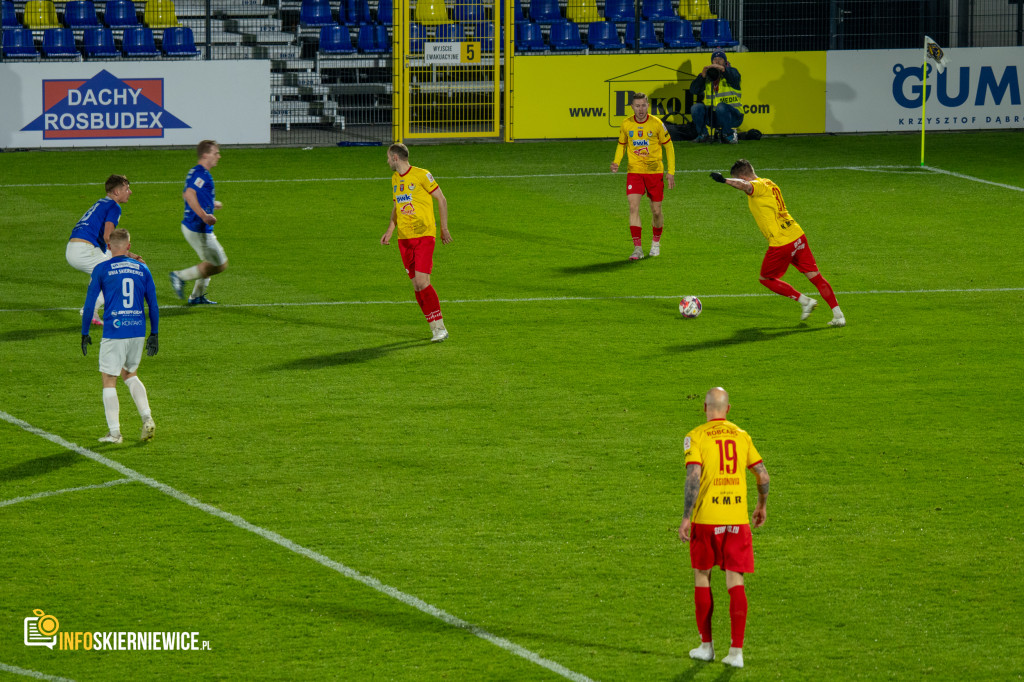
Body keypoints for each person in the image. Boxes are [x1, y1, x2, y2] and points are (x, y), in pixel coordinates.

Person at [679, 387, 770, 669]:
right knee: (736, 581)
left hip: (707, 519)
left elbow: (694, 476)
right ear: (728, 409)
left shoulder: (695, 436)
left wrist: (686, 516)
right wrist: (761, 505)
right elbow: (763, 475)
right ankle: (736, 652)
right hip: (737, 519)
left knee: (702, 576)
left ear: (704, 408)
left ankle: (707, 647)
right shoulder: (742, 436)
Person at [711, 160, 846, 326]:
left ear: (742, 176)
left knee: (766, 278)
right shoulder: (770, 182)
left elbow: (745, 186)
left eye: (736, 179)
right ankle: (838, 315)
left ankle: (805, 301)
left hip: (781, 242)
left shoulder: (757, 186)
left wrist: (724, 180)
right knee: (815, 276)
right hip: (797, 235)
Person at [81, 228, 159, 444]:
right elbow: (153, 304)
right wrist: (155, 333)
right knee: (130, 373)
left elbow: (89, 306)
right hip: (137, 330)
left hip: (114, 331)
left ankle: (114, 433)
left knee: (109, 379)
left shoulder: (101, 268)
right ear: (128, 246)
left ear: (108, 247)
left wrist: (85, 331)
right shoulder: (143, 268)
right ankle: (147, 418)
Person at [380, 143, 452, 342]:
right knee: (417, 287)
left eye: (388, 157)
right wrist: (390, 230)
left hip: (424, 235)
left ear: (395, 158)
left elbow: (442, 199)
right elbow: (397, 206)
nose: (387, 161)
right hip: (404, 239)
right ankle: (433, 328)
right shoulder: (395, 179)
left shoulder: (422, 175)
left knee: (422, 282)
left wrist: (444, 228)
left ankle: (441, 328)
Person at [610, 92, 676, 260]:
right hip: (635, 172)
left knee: (656, 211)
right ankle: (637, 249)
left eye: (643, 105)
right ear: (632, 107)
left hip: (654, 173)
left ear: (648, 106)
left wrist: (671, 172)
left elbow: (669, 147)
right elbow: (621, 145)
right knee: (633, 207)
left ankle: (655, 243)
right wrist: (616, 161)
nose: (640, 109)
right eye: (637, 106)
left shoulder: (657, 124)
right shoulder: (626, 124)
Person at [66, 175, 134, 326]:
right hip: (84, 251)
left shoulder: (101, 203)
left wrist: (129, 255)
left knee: (109, 266)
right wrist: (128, 254)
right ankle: (89, 310)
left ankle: (92, 311)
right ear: (116, 192)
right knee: (116, 273)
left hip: (74, 248)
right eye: (126, 189)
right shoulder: (114, 207)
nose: (130, 192)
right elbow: (108, 237)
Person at [169, 140, 227, 305]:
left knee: (208, 262)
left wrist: (211, 203)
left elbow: (186, 194)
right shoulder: (202, 174)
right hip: (198, 227)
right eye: (215, 153)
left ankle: (196, 296)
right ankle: (179, 276)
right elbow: (189, 195)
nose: (218, 156)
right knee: (219, 264)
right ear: (205, 155)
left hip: (193, 225)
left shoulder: (195, 172)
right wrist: (204, 215)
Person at [689, 51, 743, 144]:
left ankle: (728, 135)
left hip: (734, 116)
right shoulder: (709, 77)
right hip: (715, 117)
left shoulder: (732, 72)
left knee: (721, 106)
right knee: (696, 108)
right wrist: (702, 77)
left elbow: (735, 77)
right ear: (712, 62)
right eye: (715, 59)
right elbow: (694, 90)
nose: (717, 62)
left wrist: (723, 69)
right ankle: (703, 135)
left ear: (725, 62)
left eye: (720, 59)